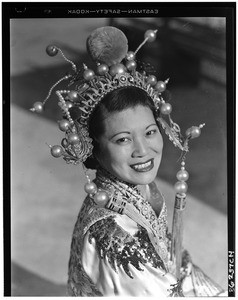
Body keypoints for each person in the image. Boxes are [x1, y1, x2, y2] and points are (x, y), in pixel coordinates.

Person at [31, 26, 226, 297]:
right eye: (123, 139)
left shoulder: (135, 191)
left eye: (149, 132)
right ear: (93, 147)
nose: (142, 150)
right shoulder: (113, 236)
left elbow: (178, 265)